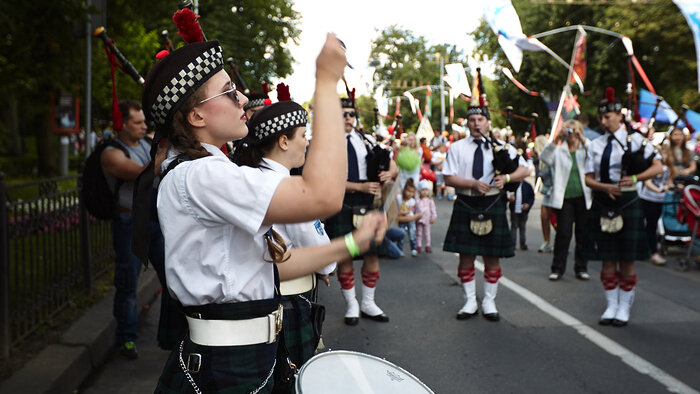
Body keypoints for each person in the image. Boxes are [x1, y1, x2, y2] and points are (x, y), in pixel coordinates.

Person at [140, 37, 386, 393]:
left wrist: (350, 244)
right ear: (196, 116)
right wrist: (326, 82)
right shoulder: (202, 175)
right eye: (228, 92)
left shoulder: (205, 170)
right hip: (226, 365)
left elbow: (270, 267)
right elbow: (324, 195)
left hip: (245, 355)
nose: (241, 99)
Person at [231, 100, 338, 367]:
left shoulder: (248, 177)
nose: (307, 141)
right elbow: (323, 255)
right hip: (289, 301)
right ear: (283, 141)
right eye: (303, 134)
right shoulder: (287, 187)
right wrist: (326, 266)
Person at [443, 104, 529, 321]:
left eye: (481, 119)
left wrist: (507, 178)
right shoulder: (457, 147)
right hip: (466, 201)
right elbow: (448, 178)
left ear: (488, 122)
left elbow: (525, 169)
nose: (476, 124)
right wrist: (472, 183)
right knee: (466, 256)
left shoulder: (502, 146)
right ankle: (469, 301)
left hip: (492, 203)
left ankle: (489, 301)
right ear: (467, 123)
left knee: (492, 258)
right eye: (472, 120)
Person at [585, 88, 662, 327]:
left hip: (628, 201)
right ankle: (611, 305)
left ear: (619, 115)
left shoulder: (637, 140)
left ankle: (624, 306)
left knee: (626, 259)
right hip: (603, 200)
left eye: (608, 117)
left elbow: (658, 167)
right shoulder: (595, 144)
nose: (604, 121)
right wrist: (603, 187)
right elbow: (588, 177)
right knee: (608, 257)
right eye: (601, 117)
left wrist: (637, 179)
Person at [99, 99, 167, 359]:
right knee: (128, 284)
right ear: (122, 125)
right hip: (128, 224)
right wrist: (164, 151)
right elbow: (142, 173)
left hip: (153, 221)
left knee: (171, 278)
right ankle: (127, 339)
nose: (143, 126)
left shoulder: (148, 144)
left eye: (144, 121)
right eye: (137, 122)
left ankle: (173, 332)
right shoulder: (111, 152)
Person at [324, 93, 398, 326]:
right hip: (342, 202)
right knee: (346, 254)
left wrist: (390, 173)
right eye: (343, 114)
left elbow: (391, 162)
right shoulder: (326, 142)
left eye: (351, 114)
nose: (348, 118)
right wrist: (360, 185)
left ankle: (368, 302)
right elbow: (325, 178)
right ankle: (352, 304)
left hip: (366, 204)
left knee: (371, 254)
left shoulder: (365, 140)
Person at [539, 119, 592, 280]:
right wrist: (556, 139)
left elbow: (596, 154)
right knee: (563, 233)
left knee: (583, 234)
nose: (571, 135)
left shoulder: (585, 150)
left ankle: (581, 267)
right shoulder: (559, 150)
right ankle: (557, 268)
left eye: (573, 131)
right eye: (568, 131)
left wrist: (582, 138)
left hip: (583, 197)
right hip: (565, 198)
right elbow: (544, 157)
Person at [640, 145, 673, 265]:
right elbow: (647, 181)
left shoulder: (667, 167)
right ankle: (651, 252)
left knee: (652, 226)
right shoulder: (653, 165)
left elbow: (669, 180)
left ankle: (651, 250)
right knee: (648, 225)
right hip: (648, 198)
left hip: (660, 200)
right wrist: (657, 190)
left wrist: (668, 187)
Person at [534, 131, 555, 253]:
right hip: (547, 191)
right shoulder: (539, 161)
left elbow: (553, 175)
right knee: (544, 216)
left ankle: (561, 242)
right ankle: (546, 241)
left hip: (552, 190)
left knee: (557, 218)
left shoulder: (548, 158)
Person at [396, 178, 421, 256]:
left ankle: (414, 249)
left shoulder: (412, 201)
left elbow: (408, 211)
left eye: (412, 192)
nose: (410, 194)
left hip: (410, 219)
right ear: (404, 190)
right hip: (401, 220)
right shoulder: (399, 198)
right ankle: (399, 249)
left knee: (412, 233)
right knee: (401, 235)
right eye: (408, 191)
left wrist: (399, 213)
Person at [508, 179, 534, 251]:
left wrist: (528, 204)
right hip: (514, 210)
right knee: (514, 226)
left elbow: (531, 197)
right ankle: (512, 244)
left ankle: (523, 243)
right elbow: (508, 194)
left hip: (523, 211)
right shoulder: (513, 185)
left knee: (522, 227)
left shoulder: (527, 186)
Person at [416, 179, 437, 253]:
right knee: (419, 232)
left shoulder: (430, 200)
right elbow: (415, 209)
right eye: (423, 190)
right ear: (419, 191)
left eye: (426, 190)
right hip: (419, 219)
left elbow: (433, 209)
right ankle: (418, 245)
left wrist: (433, 217)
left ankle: (427, 245)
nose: (424, 192)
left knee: (427, 233)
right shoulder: (418, 200)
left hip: (427, 219)